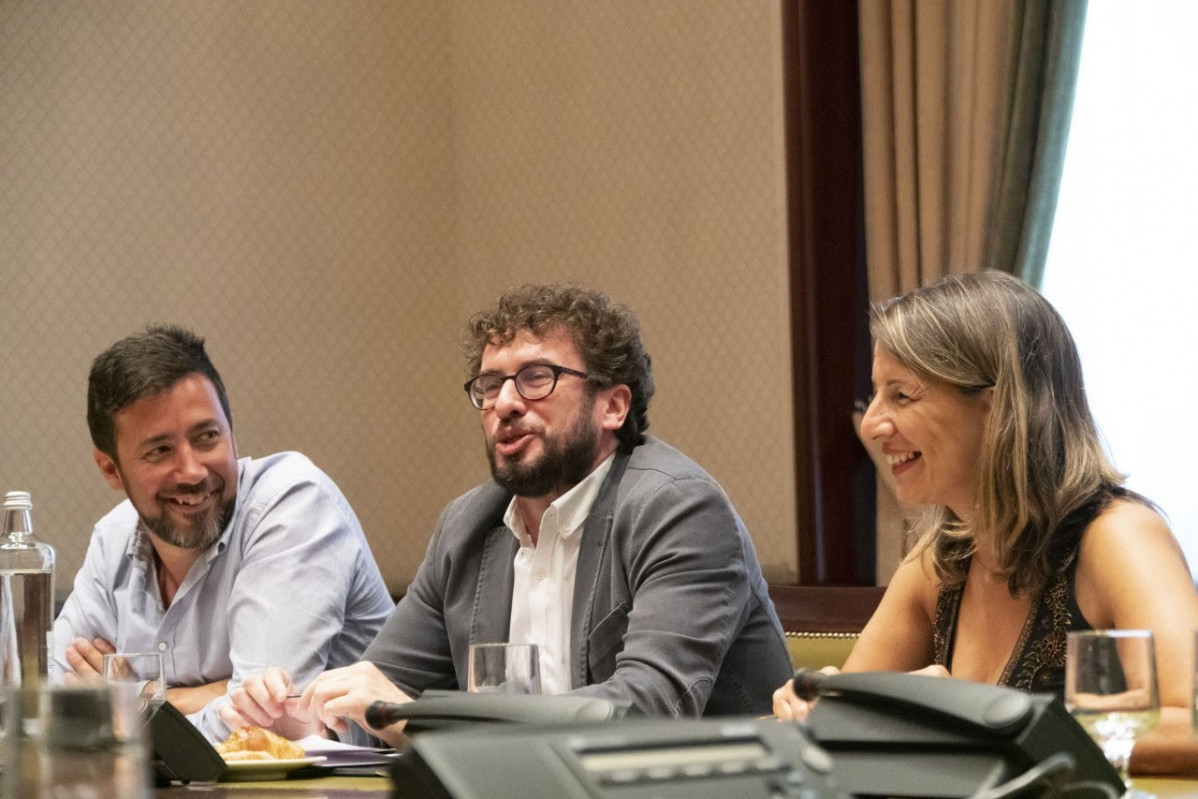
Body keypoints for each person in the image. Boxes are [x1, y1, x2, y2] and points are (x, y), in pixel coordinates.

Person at [223, 283, 792, 745]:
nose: (506, 403)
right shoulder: (468, 526)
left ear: (613, 405)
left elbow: (647, 711)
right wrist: (305, 720)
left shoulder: (678, 508)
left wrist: (421, 718)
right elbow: (380, 697)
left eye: (536, 378)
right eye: (490, 385)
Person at [772, 271, 1198, 774]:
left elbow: (1189, 724)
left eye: (901, 395)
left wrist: (976, 722)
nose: (871, 424)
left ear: (997, 407)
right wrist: (814, 712)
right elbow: (851, 722)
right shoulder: (942, 559)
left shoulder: (1117, 537)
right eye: (876, 394)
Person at [53, 325, 395, 742]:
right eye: (160, 450)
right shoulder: (113, 539)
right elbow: (56, 705)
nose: (193, 470)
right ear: (110, 468)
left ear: (232, 432)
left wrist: (132, 699)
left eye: (207, 437)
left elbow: (262, 726)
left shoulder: (293, 502)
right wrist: (208, 698)